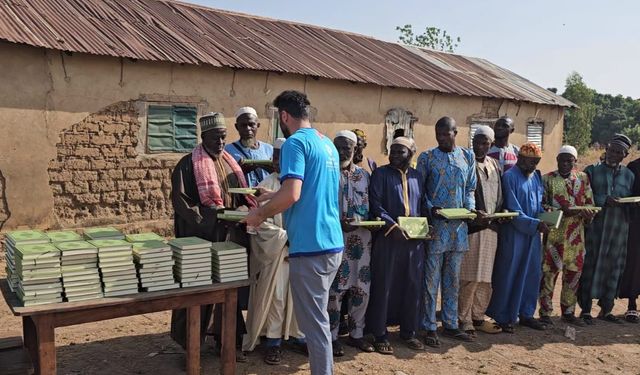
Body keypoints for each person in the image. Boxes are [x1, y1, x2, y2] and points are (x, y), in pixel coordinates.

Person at [244, 90, 343, 375]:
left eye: (279, 118)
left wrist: (258, 214)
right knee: (317, 318)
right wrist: (269, 195)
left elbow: (293, 195)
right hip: (331, 244)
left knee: (314, 325)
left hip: (310, 247)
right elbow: (313, 190)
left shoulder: (294, 144)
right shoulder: (327, 144)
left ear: (284, 116)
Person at [169, 112, 255, 360]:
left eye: (223, 138)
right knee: (198, 293)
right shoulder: (187, 164)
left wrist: (242, 208)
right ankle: (191, 349)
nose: (220, 143)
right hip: (202, 240)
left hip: (230, 239)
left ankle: (227, 344)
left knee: (229, 293)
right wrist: (213, 217)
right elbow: (182, 203)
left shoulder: (230, 163)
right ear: (203, 136)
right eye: (215, 138)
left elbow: (241, 195)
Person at [242, 138, 306, 364]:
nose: (278, 161)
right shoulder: (266, 184)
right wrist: (286, 239)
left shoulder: (302, 184)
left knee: (299, 297)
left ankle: (298, 337)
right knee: (277, 296)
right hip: (277, 253)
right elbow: (261, 223)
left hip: (300, 252)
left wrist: (298, 241)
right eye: (275, 156)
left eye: (283, 157)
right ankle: (273, 342)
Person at [417, 116, 477, 346]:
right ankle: (429, 325)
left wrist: (470, 209)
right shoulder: (427, 158)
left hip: (459, 229)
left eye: (446, 134)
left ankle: (450, 324)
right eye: (438, 134)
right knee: (431, 280)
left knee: (452, 279)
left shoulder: (467, 156)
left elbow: (471, 187)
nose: (442, 138)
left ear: (456, 132)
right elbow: (419, 191)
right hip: (436, 228)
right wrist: (432, 209)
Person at [366, 136, 427, 354]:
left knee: (412, 286)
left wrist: (432, 219)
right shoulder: (380, 174)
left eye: (400, 151)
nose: (393, 154)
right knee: (385, 285)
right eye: (392, 150)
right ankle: (379, 332)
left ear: (411, 154)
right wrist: (392, 227)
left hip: (414, 242)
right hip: (389, 239)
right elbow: (376, 205)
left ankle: (408, 331)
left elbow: (422, 204)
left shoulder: (418, 176)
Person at [486, 142, 549, 333]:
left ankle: (526, 314)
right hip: (514, 235)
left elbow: (538, 205)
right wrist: (535, 223)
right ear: (520, 159)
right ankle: (503, 316)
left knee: (531, 274)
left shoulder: (535, 178)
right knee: (509, 273)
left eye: (536, 162)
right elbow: (513, 210)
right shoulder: (509, 177)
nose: (533, 166)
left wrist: (546, 215)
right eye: (530, 162)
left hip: (532, 235)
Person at [579, 134, 635, 324]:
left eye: (619, 152)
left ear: (624, 155)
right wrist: (603, 199)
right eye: (611, 150)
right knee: (589, 265)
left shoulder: (629, 175)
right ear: (606, 149)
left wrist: (629, 203)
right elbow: (583, 197)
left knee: (614, 267)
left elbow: (630, 199)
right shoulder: (591, 171)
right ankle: (585, 309)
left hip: (619, 228)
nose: (613, 154)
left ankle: (607, 309)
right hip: (596, 227)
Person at [327, 130, 374, 356]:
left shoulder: (365, 176)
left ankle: (356, 335)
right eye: (338, 147)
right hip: (335, 241)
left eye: (347, 147)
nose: (342, 151)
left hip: (362, 242)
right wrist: (338, 222)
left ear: (355, 150)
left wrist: (362, 220)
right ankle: (332, 336)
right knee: (335, 292)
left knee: (361, 289)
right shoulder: (326, 174)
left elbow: (371, 207)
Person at [538, 145, 595, 327]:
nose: (565, 163)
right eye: (562, 159)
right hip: (554, 236)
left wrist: (588, 213)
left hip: (576, 237)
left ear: (575, 161)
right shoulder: (547, 179)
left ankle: (568, 311)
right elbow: (542, 205)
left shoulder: (583, 178)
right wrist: (559, 210)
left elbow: (589, 203)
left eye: (569, 160)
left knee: (573, 275)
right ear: (557, 160)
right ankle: (545, 312)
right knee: (549, 274)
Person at [458, 125, 503, 337]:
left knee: (485, 277)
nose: (480, 146)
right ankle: (463, 318)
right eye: (477, 141)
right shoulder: (466, 162)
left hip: (492, 227)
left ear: (491, 144)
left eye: (485, 142)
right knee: (469, 276)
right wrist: (473, 213)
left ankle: (478, 315)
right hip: (473, 227)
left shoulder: (495, 164)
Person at [225, 106, 274, 187]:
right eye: (243, 125)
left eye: (251, 124)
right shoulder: (227, 151)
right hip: (241, 198)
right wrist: (239, 172)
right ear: (237, 127)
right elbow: (224, 179)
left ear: (258, 125)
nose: (248, 129)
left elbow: (278, 176)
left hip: (265, 197)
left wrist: (272, 170)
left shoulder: (269, 149)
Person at [619, 154, 640, 323]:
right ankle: (632, 304)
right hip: (637, 222)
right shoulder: (634, 167)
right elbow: (627, 194)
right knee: (635, 262)